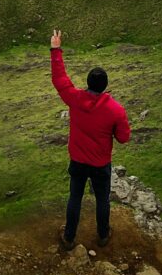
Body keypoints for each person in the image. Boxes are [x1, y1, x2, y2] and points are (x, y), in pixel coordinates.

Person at [49, 28, 131, 250]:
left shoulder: (75, 100)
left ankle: (68, 238)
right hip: (100, 164)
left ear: (87, 82)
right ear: (105, 85)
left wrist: (56, 50)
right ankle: (103, 236)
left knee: (75, 198)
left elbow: (60, 80)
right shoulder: (116, 110)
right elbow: (124, 138)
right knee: (102, 200)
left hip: (78, 160)